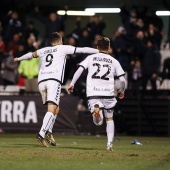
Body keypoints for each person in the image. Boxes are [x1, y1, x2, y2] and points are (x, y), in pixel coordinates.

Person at [14, 32, 98, 147]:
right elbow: (82, 49)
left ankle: (49, 132)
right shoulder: (63, 48)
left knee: (56, 108)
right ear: (59, 41)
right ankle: (41, 133)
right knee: (52, 108)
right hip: (53, 81)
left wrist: (19, 58)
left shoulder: (43, 50)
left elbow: (31, 55)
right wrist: (99, 51)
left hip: (41, 82)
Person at [67, 37, 126, 151]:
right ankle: (109, 145)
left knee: (98, 123)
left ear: (97, 47)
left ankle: (96, 111)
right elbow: (123, 80)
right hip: (108, 94)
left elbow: (79, 69)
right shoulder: (114, 61)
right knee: (109, 119)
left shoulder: (91, 57)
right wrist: (122, 91)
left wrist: (72, 84)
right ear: (109, 48)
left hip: (93, 93)